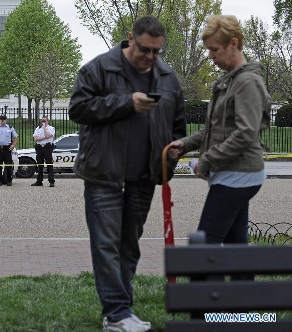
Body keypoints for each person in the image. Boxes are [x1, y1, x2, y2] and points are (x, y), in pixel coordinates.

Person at [68, 16, 186, 332]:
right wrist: (125, 103)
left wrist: (169, 160)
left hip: (144, 177)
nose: (150, 57)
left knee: (129, 246)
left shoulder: (167, 77)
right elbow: (77, 109)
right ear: (130, 39)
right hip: (104, 175)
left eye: (156, 51)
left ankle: (121, 311)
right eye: (145, 49)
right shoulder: (98, 68)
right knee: (106, 245)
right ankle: (117, 313)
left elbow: (178, 126)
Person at [169, 15, 271, 246]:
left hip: (238, 173)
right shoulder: (230, 80)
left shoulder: (247, 82)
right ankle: (242, 283)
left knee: (205, 245)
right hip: (232, 172)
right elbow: (216, 129)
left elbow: (245, 134)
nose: (210, 55)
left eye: (214, 49)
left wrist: (206, 162)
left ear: (233, 44)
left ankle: (206, 284)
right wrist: (186, 144)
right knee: (236, 246)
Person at [31, 116, 55, 187]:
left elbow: (48, 135)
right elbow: (35, 138)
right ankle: (39, 181)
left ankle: (51, 181)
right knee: (40, 165)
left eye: (44, 121)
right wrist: (44, 137)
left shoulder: (51, 128)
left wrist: (44, 128)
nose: (43, 122)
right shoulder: (38, 128)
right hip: (39, 148)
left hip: (47, 148)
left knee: (49, 164)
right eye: (42, 121)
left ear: (47, 121)